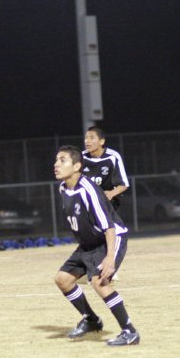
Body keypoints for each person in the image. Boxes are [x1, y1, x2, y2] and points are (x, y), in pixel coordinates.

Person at [53, 145, 139, 346]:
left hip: (110, 238)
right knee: (63, 279)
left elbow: (109, 227)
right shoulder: (63, 188)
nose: (56, 164)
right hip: (88, 243)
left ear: (76, 166)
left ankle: (130, 332)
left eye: (62, 160)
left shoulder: (88, 190)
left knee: (99, 282)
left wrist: (110, 259)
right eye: (56, 160)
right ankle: (91, 320)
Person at [81, 126, 130, 210]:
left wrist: (111, 193)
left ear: (102, 141)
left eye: (92, 138)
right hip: (86, 203)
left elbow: (124, 184)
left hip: (107, 203)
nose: (87, 141)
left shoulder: (112, 156)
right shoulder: (81, 157)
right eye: (86, 138)